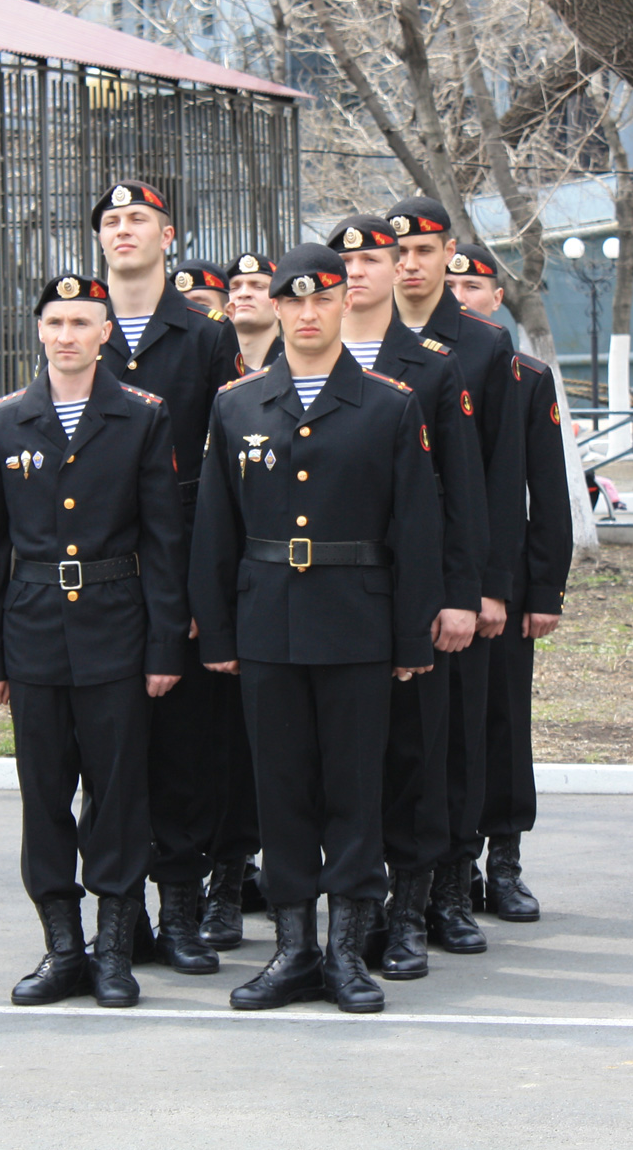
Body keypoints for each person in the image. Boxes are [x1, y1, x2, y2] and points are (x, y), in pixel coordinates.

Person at [190, 243, 444, 1013]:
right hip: (267, 622)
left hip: (357, 625)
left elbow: (416, 531)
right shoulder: (237, 404)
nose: (306, 315)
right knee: (282, 789)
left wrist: (410, 640)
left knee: (354, 790)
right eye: (291, 301)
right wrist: (220, 636)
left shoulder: (390, 403)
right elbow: (213, 529)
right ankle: (294, 949)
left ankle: (345, 952)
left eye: (321, 300)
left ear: (343, 304)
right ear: (271, 306)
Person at [0, 273, 188, 1009]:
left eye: (81, 323)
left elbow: (163, 539)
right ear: (40, 332)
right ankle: (62, 949)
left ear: (105, 336)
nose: (66, 336)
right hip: (31, 631)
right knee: (45, 797)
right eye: (55, 322)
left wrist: (163, 647)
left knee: (119, 795)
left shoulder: (141, 416)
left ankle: (115, 950)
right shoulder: (3, 420)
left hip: (116, 627)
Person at [331, 214, 487, 979]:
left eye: (372, 260)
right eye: (344, 260)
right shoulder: (302, 358)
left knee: (415, 754)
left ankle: (410, 915)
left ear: (400, 270)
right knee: (342, 759)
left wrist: (459, 595)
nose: (356, 272)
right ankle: (352, 913)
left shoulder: (429, 366)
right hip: (331, 594)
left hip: (412, 590)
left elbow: (461, 495)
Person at [91, 179, 241, 973]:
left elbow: (222, 475)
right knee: (112, 758)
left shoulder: (207, 333)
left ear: (168, 235)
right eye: (111, 221)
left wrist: (199, 589)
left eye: (137, 219)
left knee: (187, 753)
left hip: (179, 562)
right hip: (101, 568)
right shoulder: (79, 323)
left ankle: (179, 912)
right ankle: (117, 921)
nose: (123, 231)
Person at [387, 196, 525, 957]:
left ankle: (450, 888)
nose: (410, 264)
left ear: (447, 256)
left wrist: (491, 584)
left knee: (458, 739)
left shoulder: (480, 345)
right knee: (400, 742)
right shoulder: (358, 336)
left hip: (457, 576)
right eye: (396, 252)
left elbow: (499, 477)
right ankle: (396, 887)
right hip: (383, 580)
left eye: (423, 250)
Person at [446, 243, 572, 922]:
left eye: (474, 285)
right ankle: (453, 866)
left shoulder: (525, 375)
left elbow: (546, 492)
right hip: (443, 579)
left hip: (509, 581)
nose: (462, 296)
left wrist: (545, 590)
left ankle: (506, 861)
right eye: (453, 284)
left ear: (497, 296)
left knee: (501, 721)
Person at [226, 252, 284, 377]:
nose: (244, 293)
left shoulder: (295, 366)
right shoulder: (211, 367)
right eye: (234, 288)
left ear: (278, 303)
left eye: (258, 286)